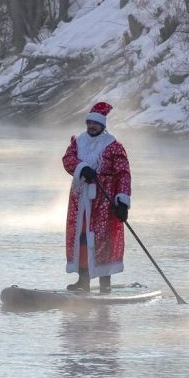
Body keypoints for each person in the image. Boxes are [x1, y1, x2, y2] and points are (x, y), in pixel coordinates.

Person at [62, 102, 131, 293]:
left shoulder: (114, 146)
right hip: (80, 199)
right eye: (89, 123)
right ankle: (83, 280)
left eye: (95, 123)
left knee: (103, 239)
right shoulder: (78, 141)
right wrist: (82, 168)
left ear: (102, 125)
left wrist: (122, 201)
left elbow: (123, 174)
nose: (92, 126)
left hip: (104, 201)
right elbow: (68, 160)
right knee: (81, 238)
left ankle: (104, 284)